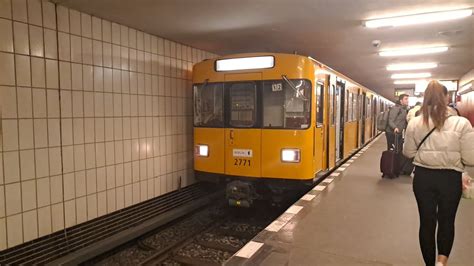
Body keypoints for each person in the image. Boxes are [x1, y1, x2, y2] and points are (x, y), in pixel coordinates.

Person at [403, 80, 474, 266]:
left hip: (423, 178)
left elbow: (408, 153)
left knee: (426, 223)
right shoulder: (462, 123)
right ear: (447, 98)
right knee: (447, 221)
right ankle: (441, 263)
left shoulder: (415, 123)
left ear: (425, 99)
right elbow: (471, 159)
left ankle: (429, 264)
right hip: (450, 180)